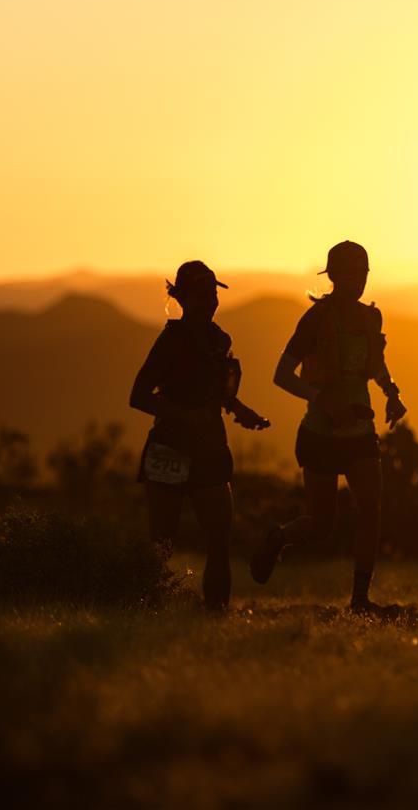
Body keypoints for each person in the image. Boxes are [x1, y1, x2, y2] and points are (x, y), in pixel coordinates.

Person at [250, 240, 408, 612]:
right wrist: (321, 401)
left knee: (371, 509)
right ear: (334, 275)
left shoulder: (371, 319)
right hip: (320, 432)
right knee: (322, 524)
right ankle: (278, 539)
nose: (360, 280)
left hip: (359, 431)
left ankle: (360, 599)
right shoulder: (316, 320)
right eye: (353, 272)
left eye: (365, 272)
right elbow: (281, 375)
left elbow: (376, 364)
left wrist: (391, 392)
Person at [129, 260, 270, 610]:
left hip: (209, 448)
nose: (211, 301)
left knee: (219, 540)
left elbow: (220, 392)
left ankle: (216, 617)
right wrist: (185, 415)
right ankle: (149, 611)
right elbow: (139, 395)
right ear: (183, 298)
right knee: (162, 542)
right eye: (203, 293)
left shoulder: (220, 340)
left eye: (213, 293)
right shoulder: (170, 341)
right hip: (170, 449)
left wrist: (239, 410)